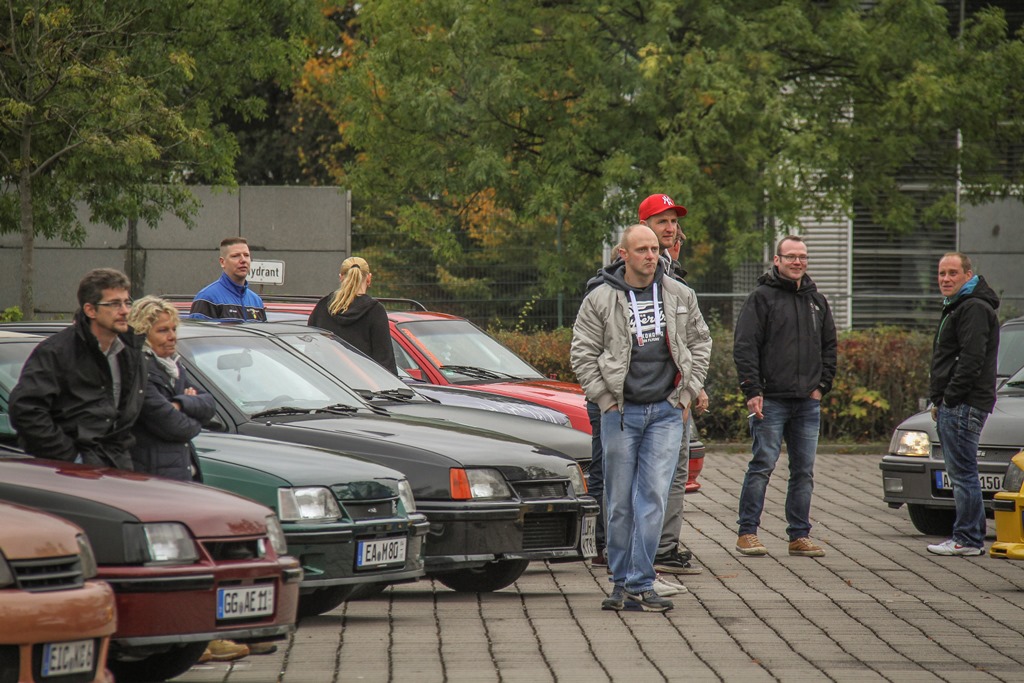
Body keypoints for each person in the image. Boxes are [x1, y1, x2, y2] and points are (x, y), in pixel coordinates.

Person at [571, 224, 712, 612]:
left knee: (651, 497)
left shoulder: (680, 294)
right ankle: (620, 583)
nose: (652, 255)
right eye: (642, 249)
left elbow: (701, 342)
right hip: (620, 412)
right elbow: (582, 353)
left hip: (666, 412)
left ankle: (641, 581)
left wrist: (685, 394)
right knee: (618, 501)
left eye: (654, 249)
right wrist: (604, 399)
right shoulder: (599, 299)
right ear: (623, 255)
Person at [733, 235, 837, 557]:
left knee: (803, 471)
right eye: (790, 256)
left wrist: (822, 386)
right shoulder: (761, 298)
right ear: (776, 260)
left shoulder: (816, 301)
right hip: (771, 400)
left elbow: (830, 347)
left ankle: (799, 536)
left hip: (807, 401)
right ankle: (747, 532)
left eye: (802, 257)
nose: (797, 262)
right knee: (762, 464)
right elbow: (745, 346)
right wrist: (753, 390)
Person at [638, 194, 710, 579]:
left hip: (677, 393)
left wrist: (693, 385)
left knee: (676, 472)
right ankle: (647, 549)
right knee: (653, 475)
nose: (670, 227)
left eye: (673, 221)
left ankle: (665, 546)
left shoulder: (674, 273)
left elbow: (694, 338)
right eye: (661, 220)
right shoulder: (633, 273)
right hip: (649, 396)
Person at [10, 268, 145, 469]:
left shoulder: (131, 351)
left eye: (127, 302)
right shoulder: (57, 352)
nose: (125, 310)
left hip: (118, 466)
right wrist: (71, 459)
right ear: (90, 310)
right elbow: (26, 410)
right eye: (115, 304)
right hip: (71, 474)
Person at [926, 252, 999, 556]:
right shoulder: (959, 306)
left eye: (953, 273)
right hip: (959, 401)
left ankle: (967, 538)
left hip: (964, 403)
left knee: (962, 474)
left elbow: (971, 359)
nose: (945, 279)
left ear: (968, 275)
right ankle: (968, 536)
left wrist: (950, 397)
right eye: (942, 273)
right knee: (962, 472)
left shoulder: (972, 308)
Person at [127, 296, 215, 481]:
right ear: (143, 333)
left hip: (180, 475)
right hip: (154, 480)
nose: (172, 336)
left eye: (174, 329)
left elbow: (209, 404)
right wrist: (192, 409)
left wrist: (181, 404)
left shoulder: (174, 367)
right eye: (162, 330)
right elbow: (177, 426)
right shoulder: (139, 370)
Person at [307, 256, 398, 375]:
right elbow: (385, 361)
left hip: (327, 386)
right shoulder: (375, 311)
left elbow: (310, 351)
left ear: (341, 278)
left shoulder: (322, 307)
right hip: (362, 387)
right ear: (369, 279)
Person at [190, 237, 267, 321]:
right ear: (222, 262)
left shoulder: (256, 301)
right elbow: (200, 333)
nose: (243, 260)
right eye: (235, 256)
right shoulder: (207, 298)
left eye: (246, 255)